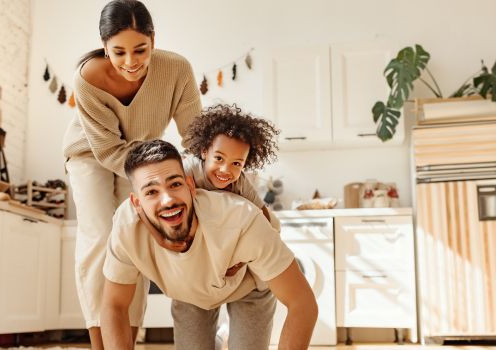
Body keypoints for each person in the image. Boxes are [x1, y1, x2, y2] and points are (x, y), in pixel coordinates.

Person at [61, 0, 202, 348]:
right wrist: (154, 175)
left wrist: (206, 173)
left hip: (141, 157)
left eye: (140, 49)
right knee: (98, 236)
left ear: (154, 40)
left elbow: (194, 136)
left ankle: (126, 338)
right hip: (90, 154)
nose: (130, 62)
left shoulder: (177, 69)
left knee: (133, 239)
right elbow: (107, 150)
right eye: (119, 52)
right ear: (104, 45)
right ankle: (99, 338)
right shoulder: (87, 78)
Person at [101, 140, 318, 350]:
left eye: (175, 184)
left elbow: (302, 303)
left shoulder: (241, 219)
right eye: (151, 192)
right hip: (189, 292)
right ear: (137, 204)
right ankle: (220, 337)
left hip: (247, 286)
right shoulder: (126, 227)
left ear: (190, 186)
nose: (167, 200)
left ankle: (228, 336)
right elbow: (114, 306)